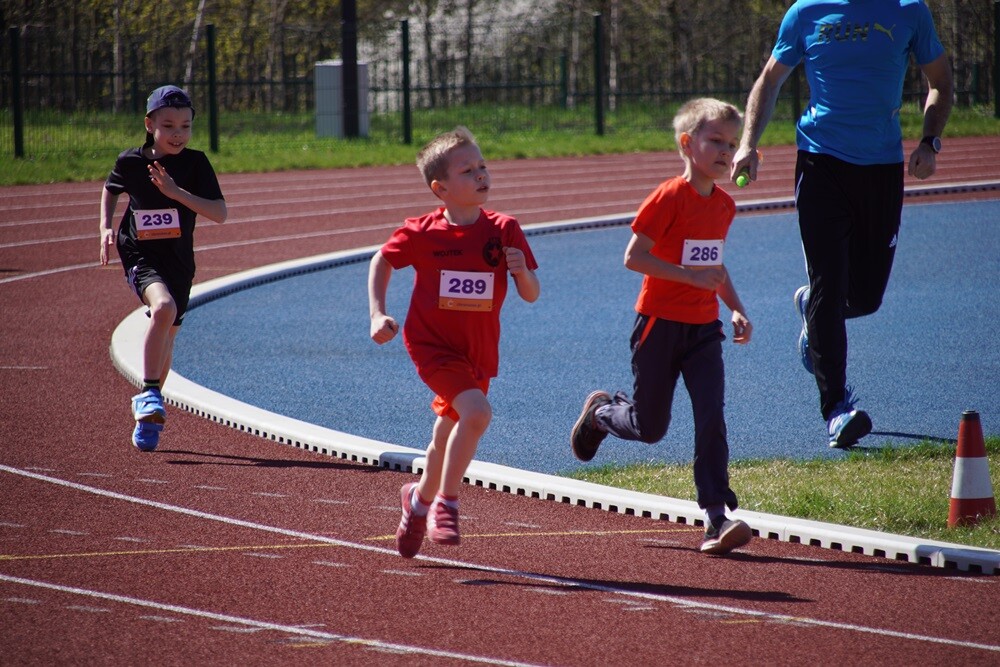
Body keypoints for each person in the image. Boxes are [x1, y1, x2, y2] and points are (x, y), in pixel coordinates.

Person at [732, 1, 953, 449]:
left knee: (865, 297)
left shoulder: (909, 11)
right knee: (830, 286)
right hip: (820, 162)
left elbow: (941, 83)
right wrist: (747, 144)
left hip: (881, 166)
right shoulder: (806, 12)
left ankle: (815, 313)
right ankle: (837, 409)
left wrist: (930, 141)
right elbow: (769, 80)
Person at [570, 98, 753, 556]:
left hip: (703, 331)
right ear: (688, 144)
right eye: (715, 141)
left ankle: (716, 516)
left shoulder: (725, 206)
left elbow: (715, 264)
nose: (725, 152)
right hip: (657, 326)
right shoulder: (670, 196)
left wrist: (734, 307)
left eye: (731, 144)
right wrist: (689, 278)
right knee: (651, 428)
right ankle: (601, 413)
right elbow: (634, 256)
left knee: (711, 415)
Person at [368, 126, 540, 558]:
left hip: (478, 350)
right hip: (432, 346)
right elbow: (381, 260)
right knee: (478, 414)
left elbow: (532, 293)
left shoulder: (504, 229)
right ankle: (447, 502)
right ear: (440, 189)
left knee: (446, 433)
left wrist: (520, 270)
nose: (481, 174)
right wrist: (376, 312)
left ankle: (418, 499)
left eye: (482, 166)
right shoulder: (423, 233)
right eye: (468, 170)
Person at [99, 85, 228, 452]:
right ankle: (151, 394)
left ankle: (149, 416)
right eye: (169, 125)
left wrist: (175, 193)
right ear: (149, 124)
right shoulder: (131, 162)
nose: (178, 134)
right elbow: (111, 188)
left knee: (168, 335)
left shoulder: (196, 163)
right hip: (139, 253)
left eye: (185, 126)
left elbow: (219, 213)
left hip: (179, 259)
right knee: (164, 308)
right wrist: (105, 226)